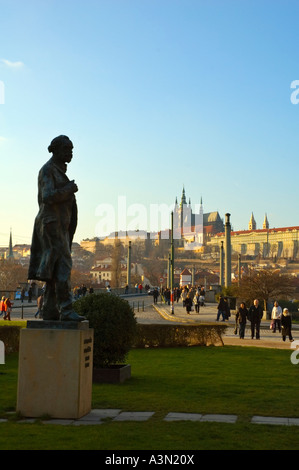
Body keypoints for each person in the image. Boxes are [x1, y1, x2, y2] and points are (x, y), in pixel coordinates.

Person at [28, 135, 85, 322]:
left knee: (54, 269)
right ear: (57, 150)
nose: (71, 153)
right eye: (68, 149)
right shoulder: (48, 170)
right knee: (63, 265)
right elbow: (47, 196)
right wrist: (69, 189)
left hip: (59, 225)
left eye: (72, 149)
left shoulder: (58, 170)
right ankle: (66, 310)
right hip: (51, 224)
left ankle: (49, 311)